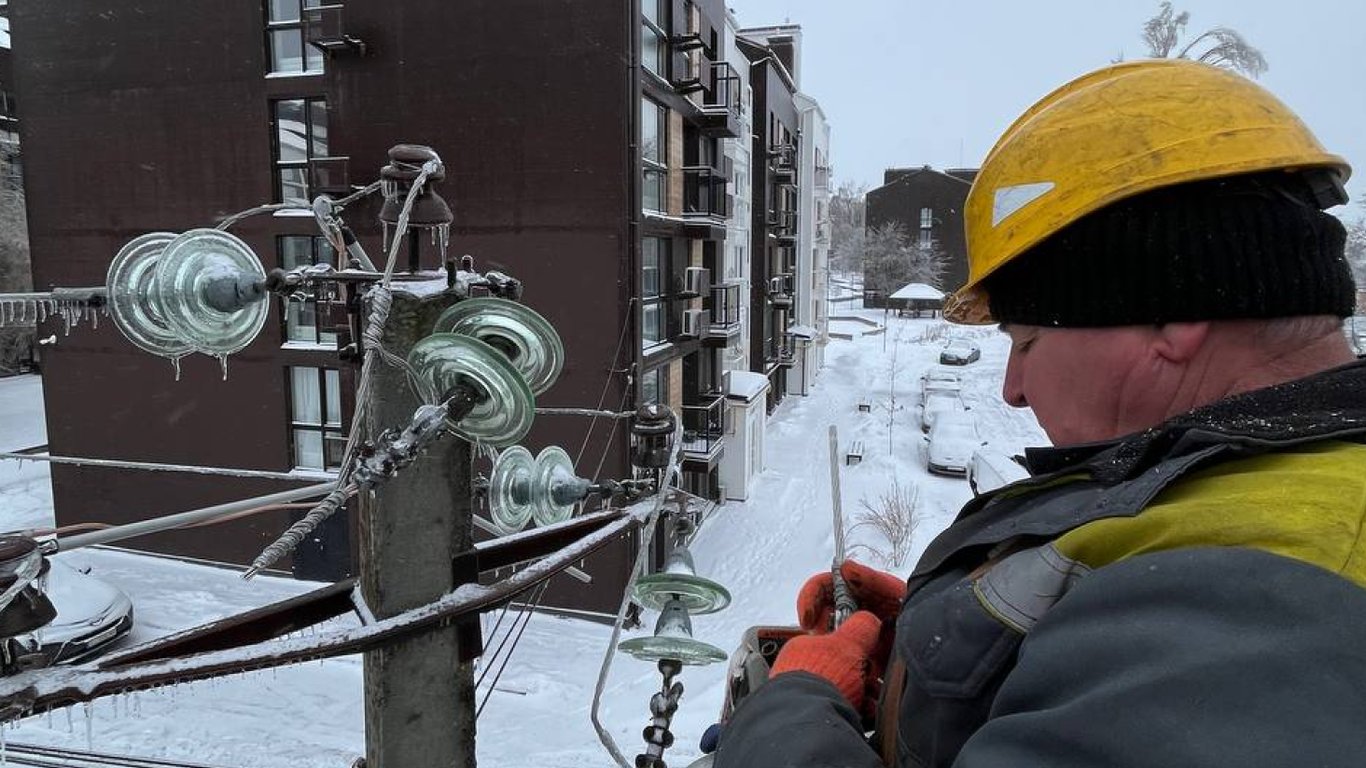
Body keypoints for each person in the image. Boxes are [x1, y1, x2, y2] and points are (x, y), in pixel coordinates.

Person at [712, 59, 1366, 768]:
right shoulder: (1248, 489)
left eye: (1025, 342)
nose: (1013, 389)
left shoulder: (1257, 617)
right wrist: (949, 647)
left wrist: (793, 706)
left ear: (1172, 311)